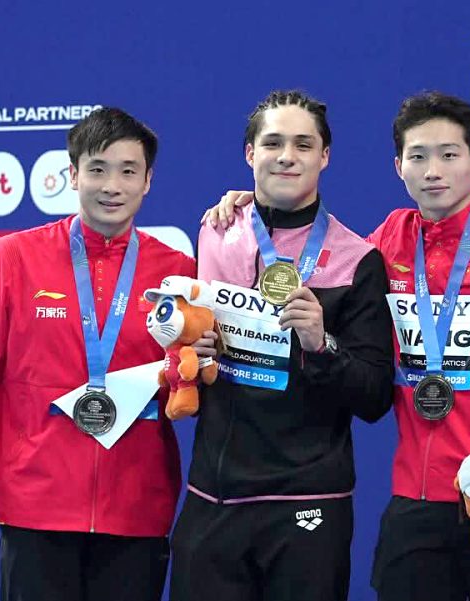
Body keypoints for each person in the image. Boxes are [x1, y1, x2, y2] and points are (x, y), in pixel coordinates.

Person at [203, 91, 470, 601]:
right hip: (416, 496)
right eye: (418, 156)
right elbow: (320, 245)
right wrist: (255, 206)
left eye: (449, 155)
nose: (434, 170)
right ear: (398, 167)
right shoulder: (386, 243)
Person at [0, 107, 194, 601]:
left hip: (137, 507)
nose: (112, 186)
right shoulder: (15, 257)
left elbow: (191, 373)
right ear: (72, 174)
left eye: (128, 171)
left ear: (148, 182)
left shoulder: (177, 271)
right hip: (36, 505)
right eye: (97, 169)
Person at [168, 90, 394, 601]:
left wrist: (322, 344)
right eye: (272, 143)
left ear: (325, 156)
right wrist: (195, 348)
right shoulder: (215, 231)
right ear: (250, 154)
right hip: (216, 496)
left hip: (309, 499)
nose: (287, 155)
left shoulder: (359, 261)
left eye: (302, 143)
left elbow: (377, 396)